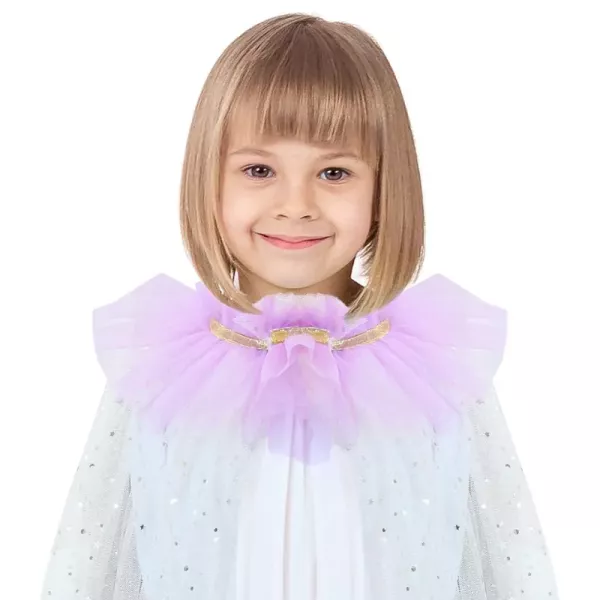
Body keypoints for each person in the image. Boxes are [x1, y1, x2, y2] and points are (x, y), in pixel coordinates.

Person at [40, 12, 560, 600]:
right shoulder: (161, 368)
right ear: (209, 181)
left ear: (384, 188)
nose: (296, 204)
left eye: (334, 172)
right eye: (258, 170)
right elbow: (91, 560)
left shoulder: (436, 370)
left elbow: (506, 559)